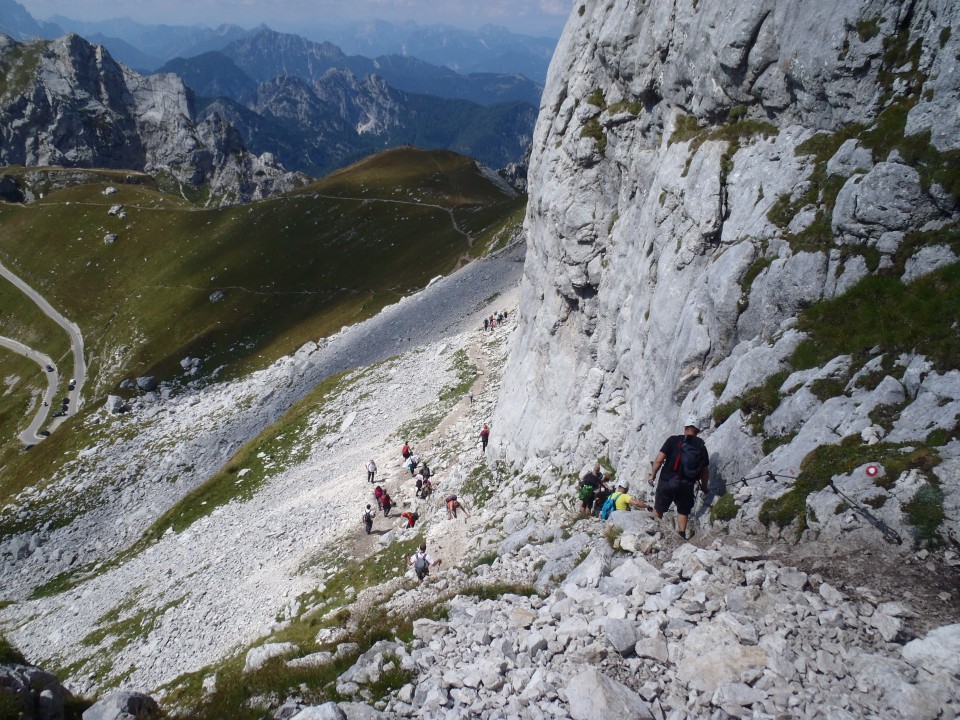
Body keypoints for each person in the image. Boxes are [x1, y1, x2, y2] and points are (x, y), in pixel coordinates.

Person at [648, 415, 710, 539]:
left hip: (667, 481)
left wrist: (652, 475)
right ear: (697, 431)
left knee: (659, 507)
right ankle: (681, 535)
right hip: (687, 484)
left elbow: (659, 460)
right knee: (683, 510)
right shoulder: (701, 447)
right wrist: (704, 487)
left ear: (685, 428)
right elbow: (704, 470)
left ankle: (654, 533)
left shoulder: (672, 440)